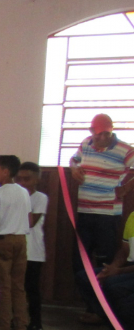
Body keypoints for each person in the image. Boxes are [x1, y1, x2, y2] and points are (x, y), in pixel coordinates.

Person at [70, 113, 134, 266]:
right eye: (99, 135)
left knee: (105, 259)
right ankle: (86, 289)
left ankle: (102, 290)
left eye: (107, 134)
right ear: (91, 131)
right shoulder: (86, 143)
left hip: (108, 215)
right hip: (84, 211)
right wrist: (74, 169)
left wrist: (127, 187)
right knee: (80, 259)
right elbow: (74, 159)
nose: (104, 138)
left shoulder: (125, 149)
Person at [0, 155, 32, 330]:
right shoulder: (23, 192)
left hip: (2, 242)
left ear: (5, 171)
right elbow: (27, 218)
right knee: (18, 286)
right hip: (21, 240)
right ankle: (21, 329)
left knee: (3, 287)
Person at [17, 162, 47, 330]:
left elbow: (30, 222)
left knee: (31, 289)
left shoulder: (40, 198)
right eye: (19, 179)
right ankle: (20, 320)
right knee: (17, 288)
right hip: (19, 250)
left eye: (27, 179)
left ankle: (36, 322)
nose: (22, 183)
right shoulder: (16, 196)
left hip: (33, 251)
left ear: (37, 179)